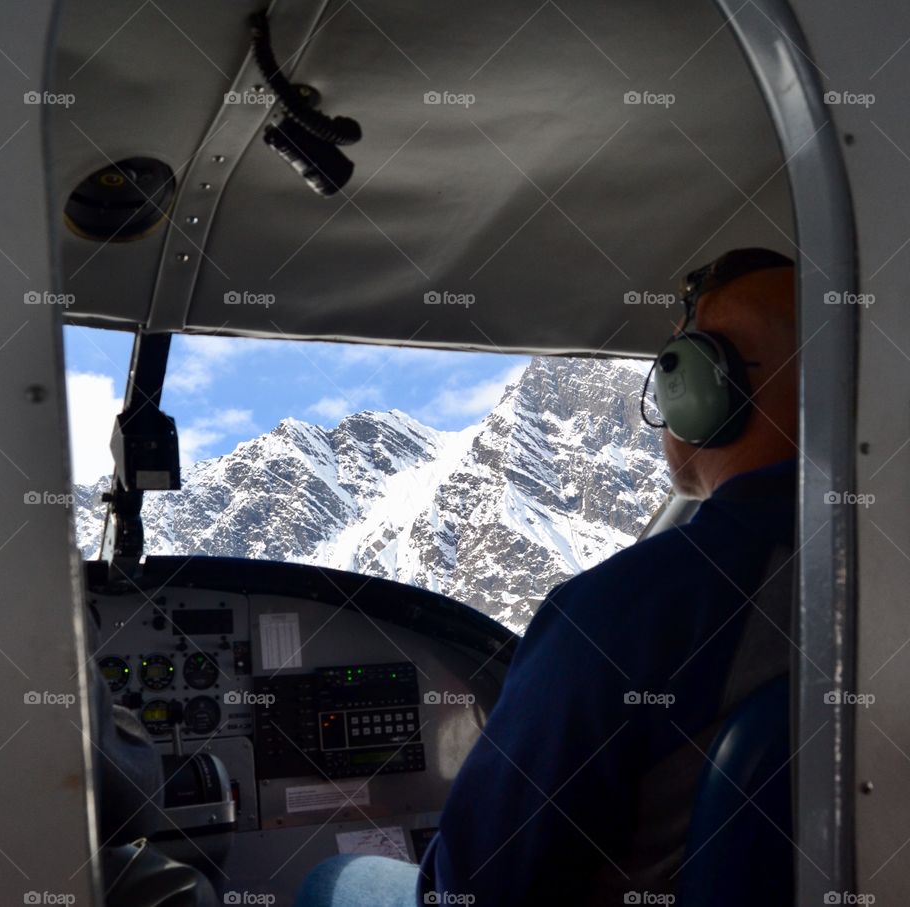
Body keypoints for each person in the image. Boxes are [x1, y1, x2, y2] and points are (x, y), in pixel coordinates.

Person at [295, 248, 798, 906]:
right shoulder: (875, 571)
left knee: (335, 877)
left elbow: (475, 882)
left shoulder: (627, 607)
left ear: (697, 384)